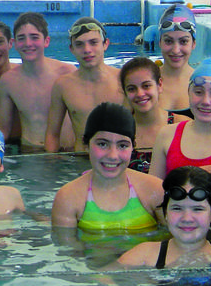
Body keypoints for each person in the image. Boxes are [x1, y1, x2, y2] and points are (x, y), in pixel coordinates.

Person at [112, 166, 211, 272]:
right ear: (165, 213)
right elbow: (102, 277)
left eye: (197, 209)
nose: (187, 218)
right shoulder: (144, 254)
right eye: (177, 208)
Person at [51, 103, 164, 231]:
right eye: (103, 144)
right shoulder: (68, 198)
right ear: (86, 145)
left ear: (133, 147)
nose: (113, 155)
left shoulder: (154, 190)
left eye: (122, 145)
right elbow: (66, 244)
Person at [0, 12, 74, 151]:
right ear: (14, 43)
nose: (28, 44)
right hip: (30, 152)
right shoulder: (8, 81)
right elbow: (3, 130)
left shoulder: (66, 73)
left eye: (34, 37)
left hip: (67, 152)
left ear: (46, 41)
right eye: (21, 38)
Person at [45, 18, 124, 151]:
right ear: (72, 49)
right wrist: (50, 161)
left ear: (105, 44)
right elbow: (52, 134)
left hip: (118, 158)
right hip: (81, 159)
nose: (87, 50)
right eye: (79, 44)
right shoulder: (63, 85)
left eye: (93, 42)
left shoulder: (123, 79)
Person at [119, 56, 188, 173]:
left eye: (146, 86)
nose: (140, 94)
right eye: (131, 89)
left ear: (159, 85)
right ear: (124, 92)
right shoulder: (118, 131)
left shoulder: (182, 126)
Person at [155, 5, 199, 113]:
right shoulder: (146, 82)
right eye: (168, 41)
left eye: (183, 41)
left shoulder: (205, 82)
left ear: (193, 44)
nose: (175, 50)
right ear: (160, 42)